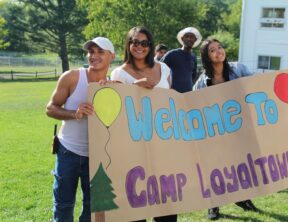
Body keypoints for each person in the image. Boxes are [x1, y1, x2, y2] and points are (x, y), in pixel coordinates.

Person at [46, 37, 115, 222]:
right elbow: (50, 108)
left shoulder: (113, 85)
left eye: (100, 52)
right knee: (63, 206)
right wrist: (74, 114)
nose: (94, 56)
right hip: (69, 151)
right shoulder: (73, 77)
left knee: (92, 209)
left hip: (97, 156)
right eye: (91, 51)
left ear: (112, 56)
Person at [110, 26, 175, 222]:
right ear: (128, 44)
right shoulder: (119, 74)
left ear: (150, 45)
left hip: (163, 144)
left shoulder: (164, 69)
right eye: (135, 42)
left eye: (144, 43)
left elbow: (171, 102)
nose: (139, 46)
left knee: (166, 205)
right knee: (137, 204)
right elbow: (116, 112)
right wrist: (133, 89)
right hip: (134, 146)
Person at [193, 38, 259, 220]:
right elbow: (193, 103)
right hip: (215, 130)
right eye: (212, 50)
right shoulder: (203, 80)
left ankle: (243, 199)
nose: (218, 51)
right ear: (207, 57)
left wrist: (281, 77)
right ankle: (213, 206)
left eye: (219, 47)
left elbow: (258, 84)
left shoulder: (239, 69)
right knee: (215, 166)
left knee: (241, 164)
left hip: (239, 127)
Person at [161, 27, 201, 93]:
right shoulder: (172, 54)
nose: (189, 38)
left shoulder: (193, 57)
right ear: (182, 39)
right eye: (187, 36)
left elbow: (193, 76)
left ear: (195, 40)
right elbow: (160, 69)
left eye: (192, 37)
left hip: (188, 95)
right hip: (172, 95)